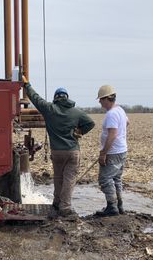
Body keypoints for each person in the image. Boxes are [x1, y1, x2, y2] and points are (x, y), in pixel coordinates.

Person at [22, 76, 95, 217]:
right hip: (72, 152)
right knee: (69, 179)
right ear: (67, 98)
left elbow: (35, 98)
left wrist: (26, 85)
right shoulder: (77, 112)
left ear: (56, 98)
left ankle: (56, 203)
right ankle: (65, 208)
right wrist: (80, 131)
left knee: (58, 178)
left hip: (57, 152)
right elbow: (90, 123)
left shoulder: (50, 109)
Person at [95, 85, 129, 216]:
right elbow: (127, 122)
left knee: (105, 179)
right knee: (116, 179)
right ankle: (119, 205)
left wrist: (103, 153)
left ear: (107, 98)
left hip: (113, 152)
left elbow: (112, 134)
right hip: (121, 151)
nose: (99, 102)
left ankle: (112, 207)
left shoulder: (111, 114)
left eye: (101, 99)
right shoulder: (120, 110)